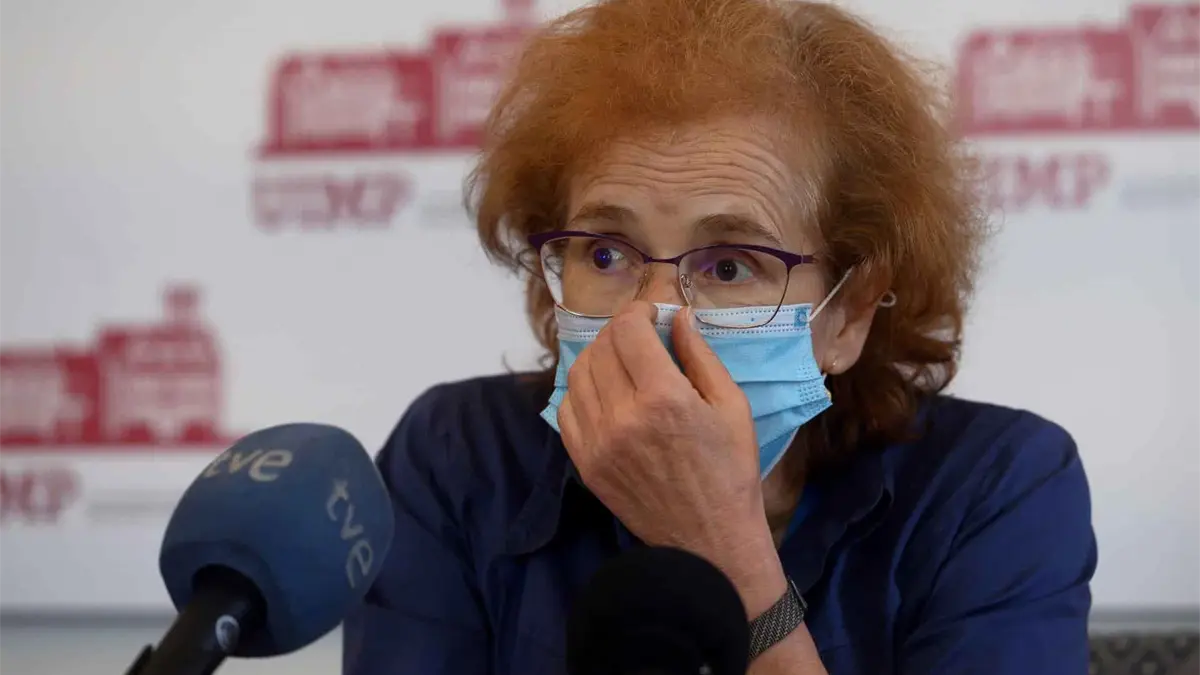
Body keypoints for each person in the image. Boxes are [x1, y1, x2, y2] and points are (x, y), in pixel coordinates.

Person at [342, 0, 1097, 673]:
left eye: (730, 265)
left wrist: (724, 550)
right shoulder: (458, 458)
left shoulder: (994, 487)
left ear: (850, 312)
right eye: (605, 253)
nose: (649, 318)